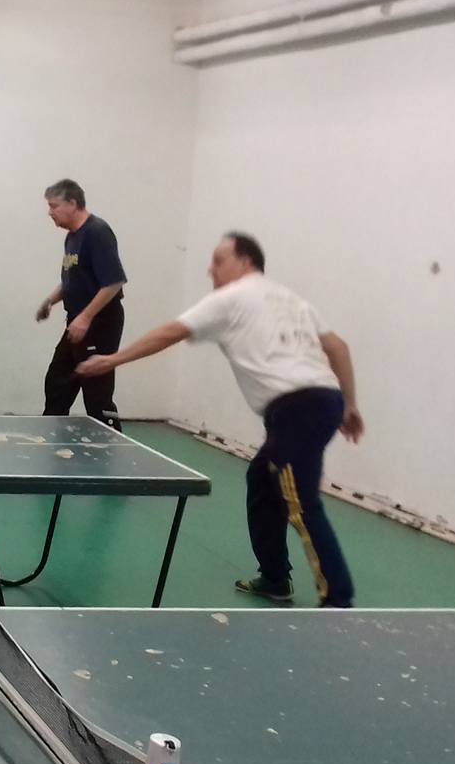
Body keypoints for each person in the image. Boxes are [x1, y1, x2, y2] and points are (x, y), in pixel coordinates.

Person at [76, 232, 363, 607]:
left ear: (245, 262)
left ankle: (338, 601)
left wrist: (112, 360)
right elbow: (338, 347)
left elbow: (170, 332)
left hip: (298, 408)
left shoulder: (231, 297)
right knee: (262, 480)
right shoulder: (290, 300)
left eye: (218, 260)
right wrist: (350, 405)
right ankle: (275, 577)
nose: (210, 269)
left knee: (299, 500)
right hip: (322, 401)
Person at [35, 178, 127, 428]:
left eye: (54, 206)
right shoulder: (72, 237)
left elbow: (113, 282)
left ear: (73, 203)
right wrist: (50, 301)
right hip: (77, 322)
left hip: (100, 323)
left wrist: (86, 317)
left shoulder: (97, 232)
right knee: (57, 382)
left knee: (97, 393)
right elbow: (73, 280)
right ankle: (51, 435)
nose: (50, 212)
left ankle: (110, 442)